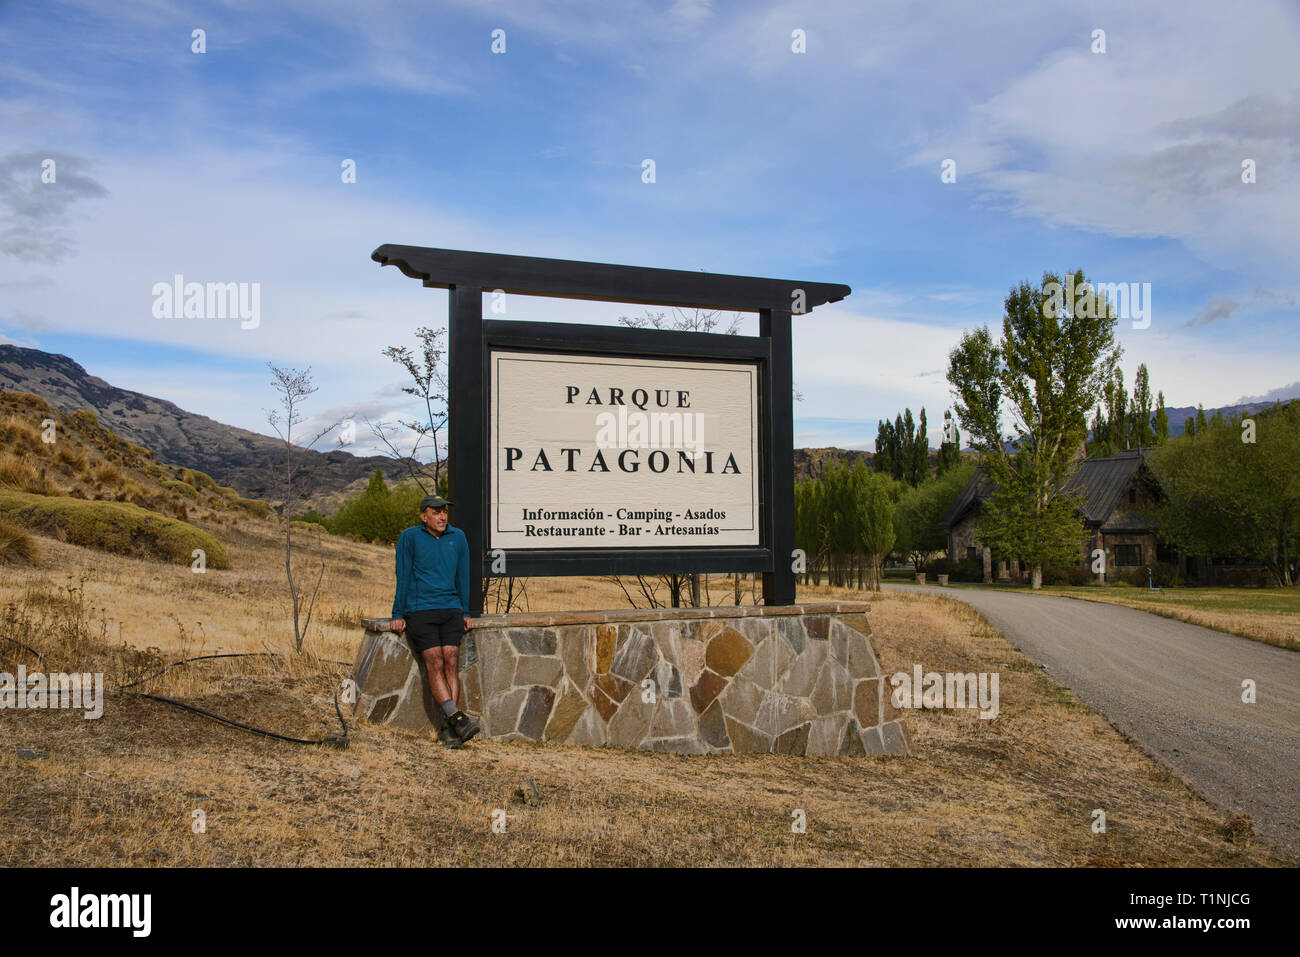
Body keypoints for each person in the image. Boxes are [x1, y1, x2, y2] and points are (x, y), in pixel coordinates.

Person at [390, 495, 480, 748]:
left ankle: (449, 727)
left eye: (444, 512)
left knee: (451, 661)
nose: (442, 517)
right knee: (435, 662)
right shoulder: (410, 537)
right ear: (423, 516)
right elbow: (403, 574)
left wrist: (465, 611)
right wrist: (398, 613)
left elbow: (463, 575)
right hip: (420, 610)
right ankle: (457, 717)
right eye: (436, 512)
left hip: (451, 609)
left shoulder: (458, 537)